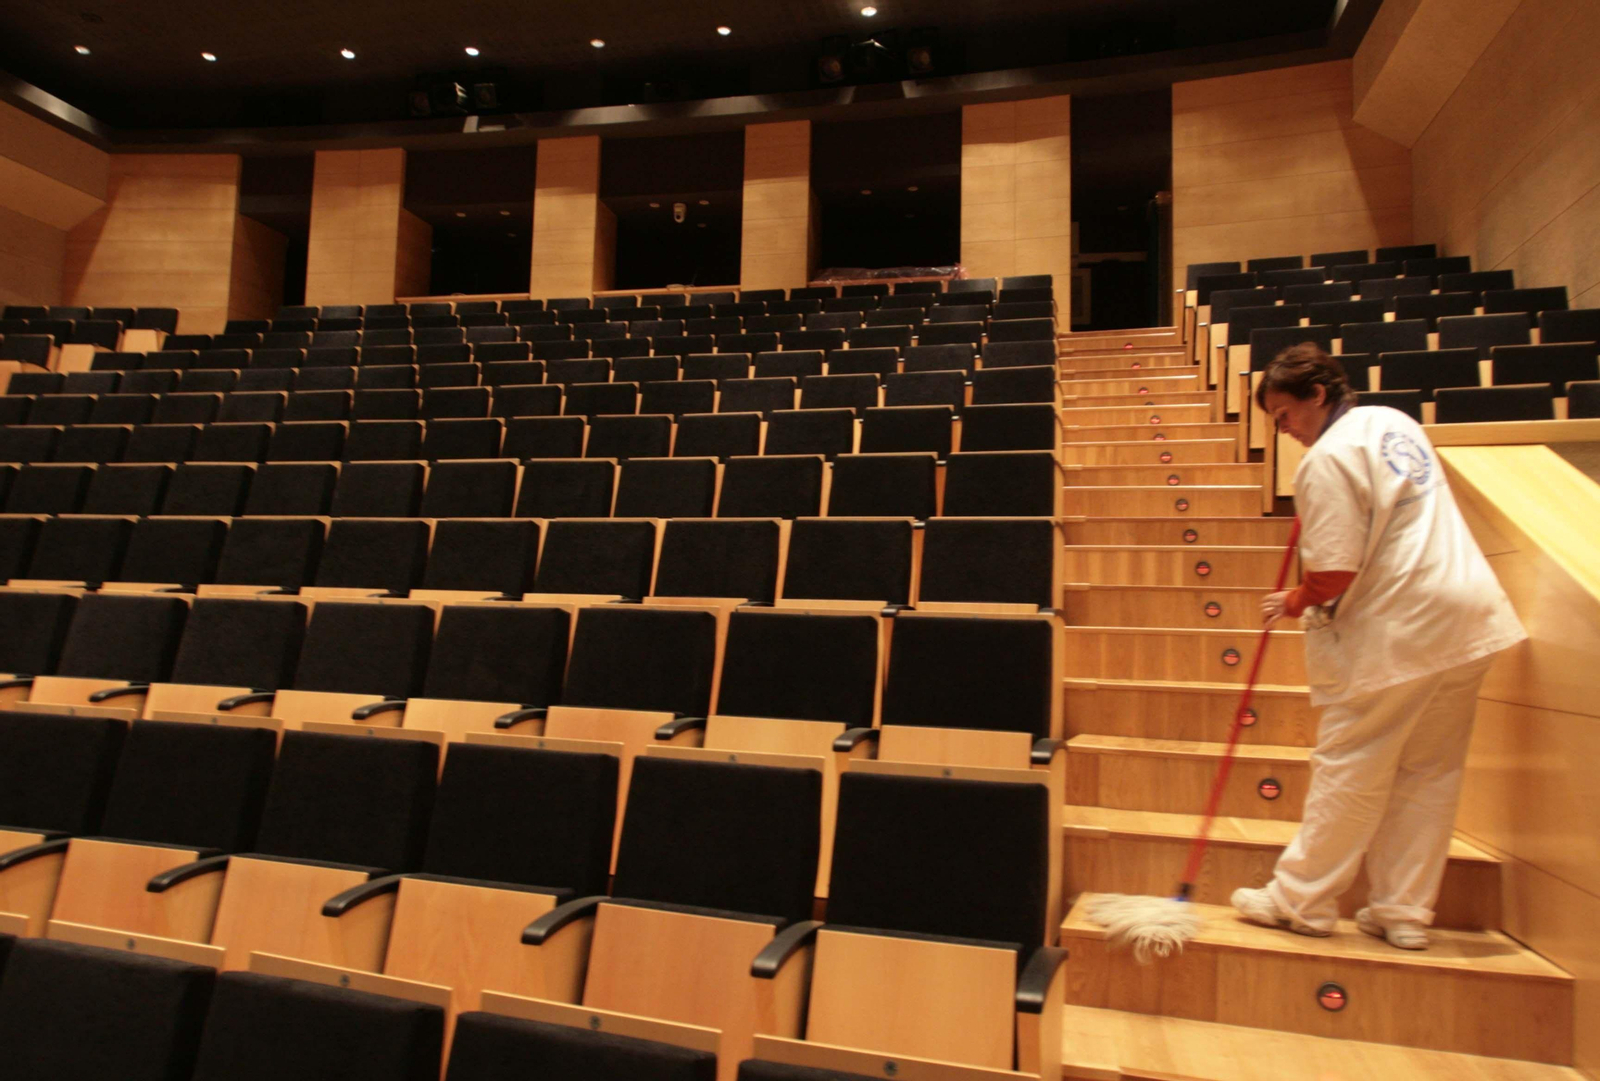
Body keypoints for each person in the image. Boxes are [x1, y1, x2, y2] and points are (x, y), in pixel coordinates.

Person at [1230, 344, 1525, 949]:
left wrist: (1293, 600)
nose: (1283, 431)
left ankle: (1300, 902)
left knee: (1351, 766)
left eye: (1285, 415)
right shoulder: (1394, 422)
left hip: (1402, 626)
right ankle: (1402, 913)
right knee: (1429, 772)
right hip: (1468, 618)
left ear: (1318, 395)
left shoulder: (1327, 458)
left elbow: (1334, 572)